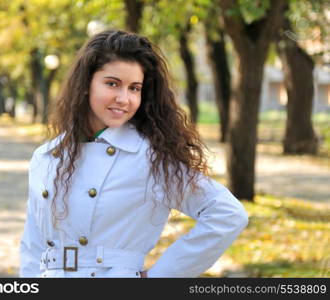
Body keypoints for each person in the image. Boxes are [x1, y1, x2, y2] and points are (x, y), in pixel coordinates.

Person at [19, 30, 249, 278]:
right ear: (85, 84)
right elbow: (33, 245)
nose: (124, 99)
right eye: (112, 84)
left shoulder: (149, 157)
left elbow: (227, 214)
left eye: (134, 88)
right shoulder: (47, 156)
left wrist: (159, 277)